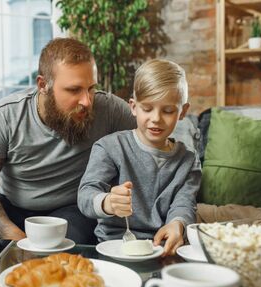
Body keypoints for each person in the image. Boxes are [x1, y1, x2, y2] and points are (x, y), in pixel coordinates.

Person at [0, 37, 136, 244]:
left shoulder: (110, 110)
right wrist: (16, 238)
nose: (87, 101)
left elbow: (152, 135)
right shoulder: (4, 115)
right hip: (12, 207)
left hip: (71, 210)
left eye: (90, 88)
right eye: (74, 90)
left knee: (64, 245)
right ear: (43, 84)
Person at [78, 59, 201, 255]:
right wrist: (107, 202)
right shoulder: (110, 146)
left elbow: (184, 203)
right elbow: (85, 194)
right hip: (114, 246)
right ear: (133, 107)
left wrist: (178, 224)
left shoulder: (188, 160)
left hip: (162, 248)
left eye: (168, 110)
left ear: (183, 112)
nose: (156, 118)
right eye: (147, 108)